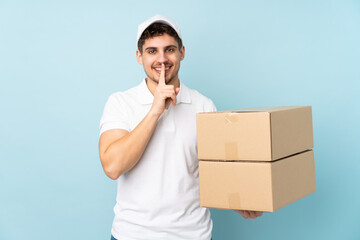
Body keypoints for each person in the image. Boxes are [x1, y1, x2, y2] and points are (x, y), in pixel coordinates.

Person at [99, 14, 262, 240]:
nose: (162, 59)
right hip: (132, 234)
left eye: (169, 49)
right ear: (139, 56)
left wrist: (241, 200)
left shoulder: (204, 105)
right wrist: (155, 110)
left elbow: (212, 171)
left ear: (182, 52)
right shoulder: (121, 102)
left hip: (193, 234)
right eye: (152, 51)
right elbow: (113, 166)